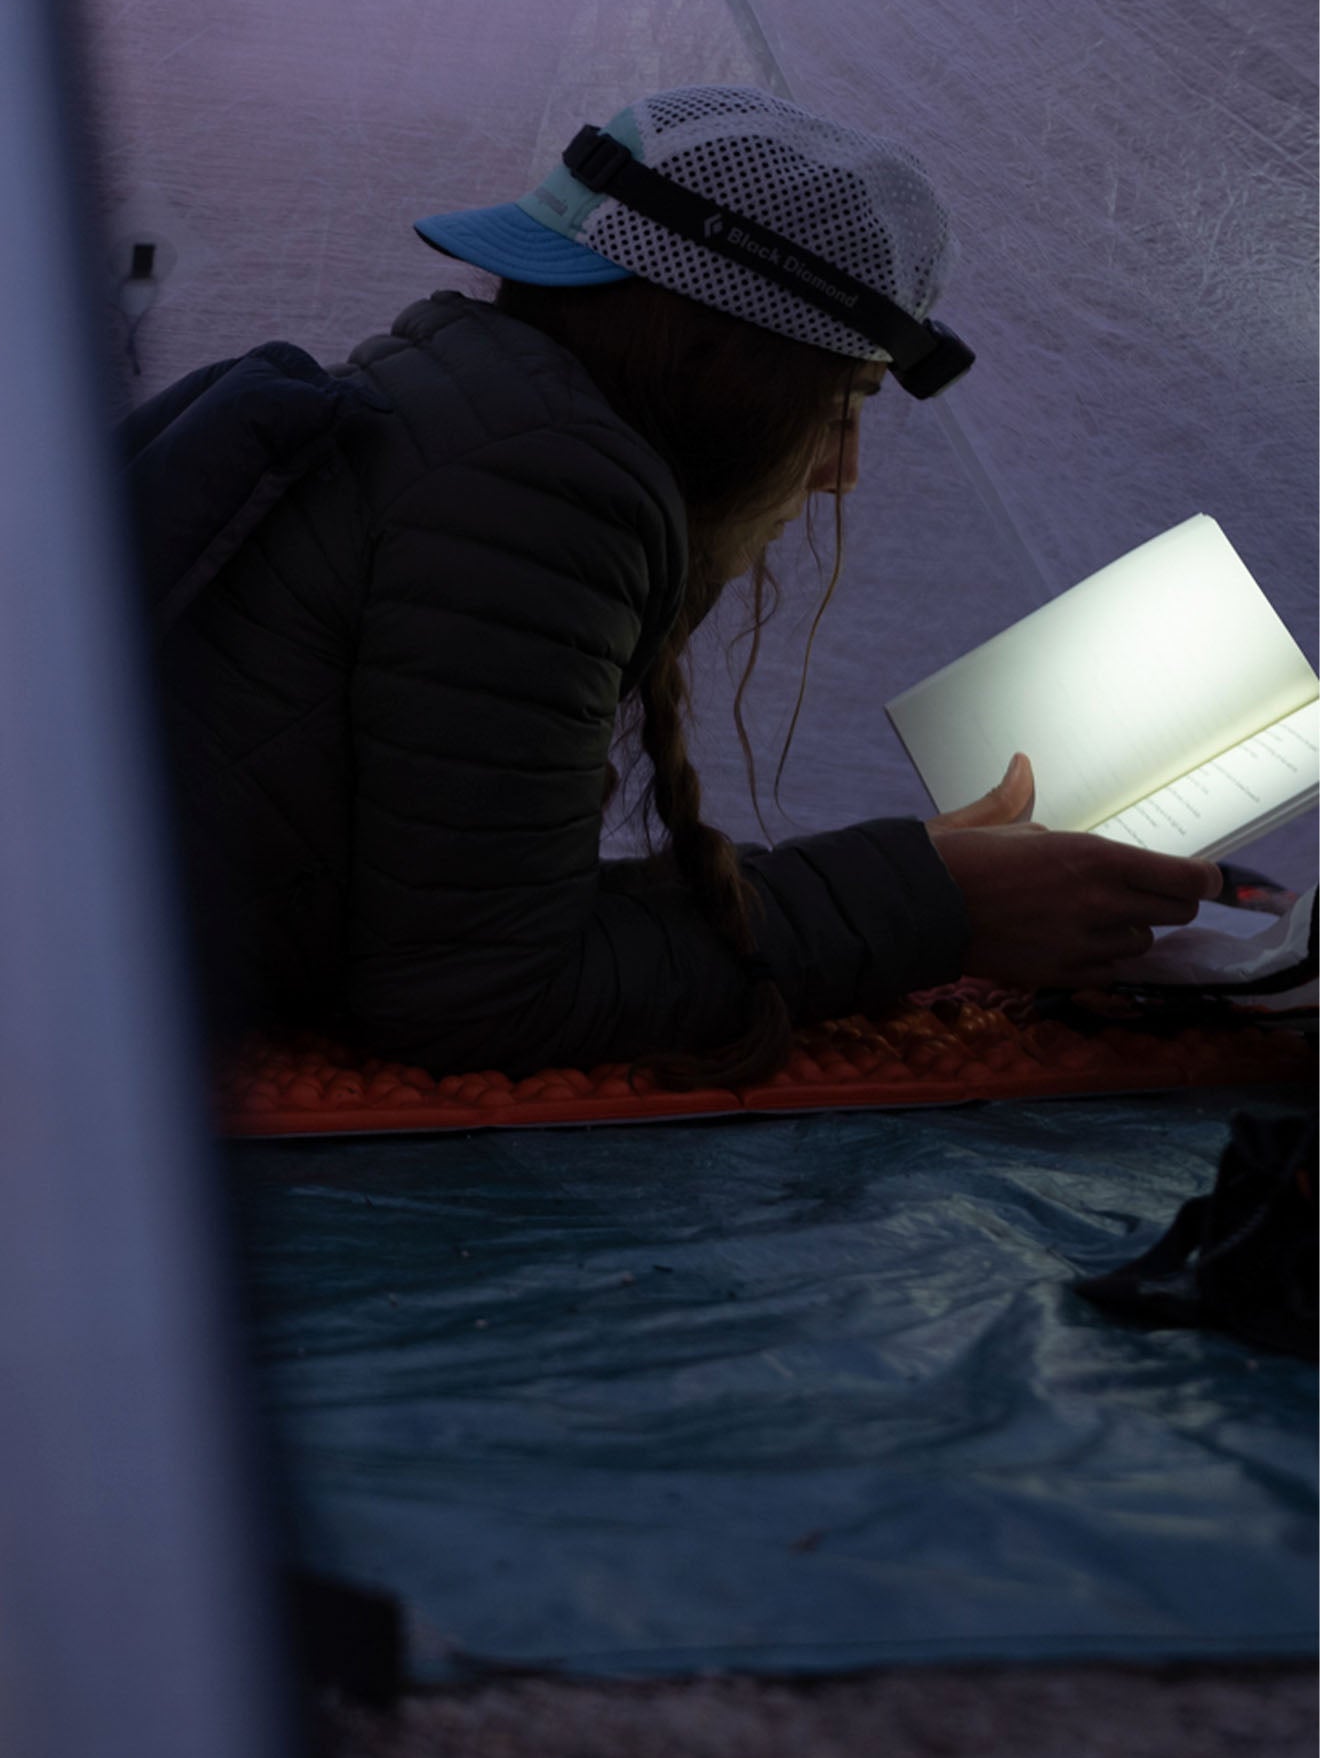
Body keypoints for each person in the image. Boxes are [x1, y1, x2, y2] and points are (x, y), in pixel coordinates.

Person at [122, 85, 1218, 1082]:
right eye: (844, 409)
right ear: (733, 381)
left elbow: (472, 920)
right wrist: (939, 911)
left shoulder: (453, 419)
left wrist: (919, 874)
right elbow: (484, 998)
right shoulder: (538, 486)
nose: (840, 477)